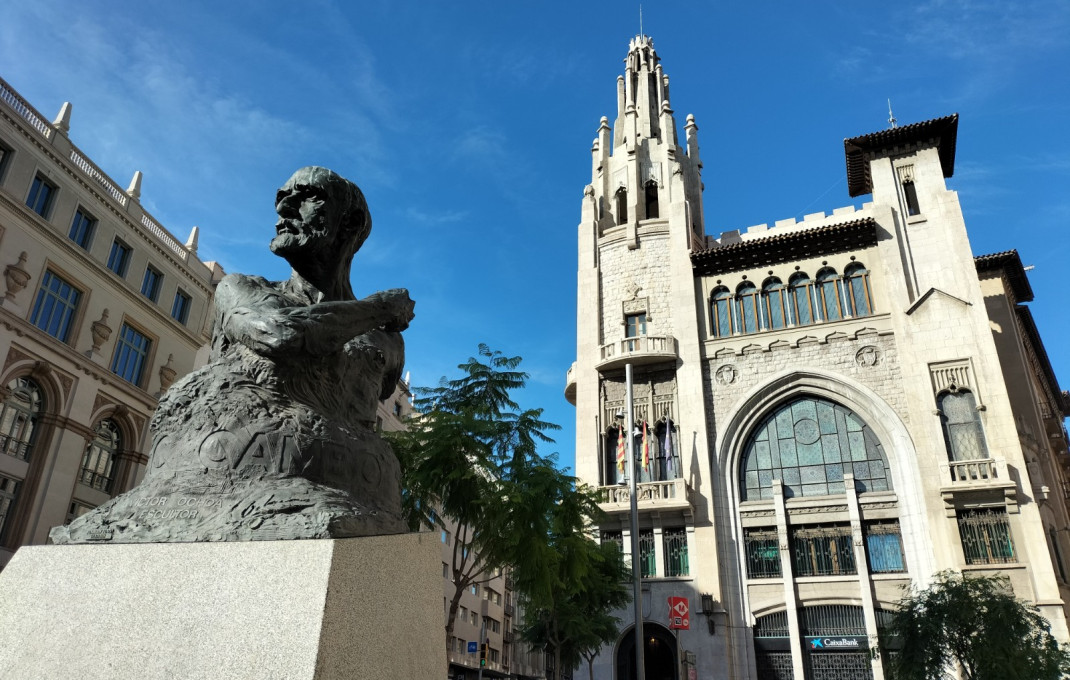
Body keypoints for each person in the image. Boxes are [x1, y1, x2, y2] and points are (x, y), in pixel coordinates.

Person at [53, 167, 414, 543]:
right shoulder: (239, 289)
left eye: (306, 196)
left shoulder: (387, 345)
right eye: (280, 199)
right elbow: (279, 335)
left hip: (351, 495)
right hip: (215, 485)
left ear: (351, 223)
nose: (284, 209)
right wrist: (379, 308)